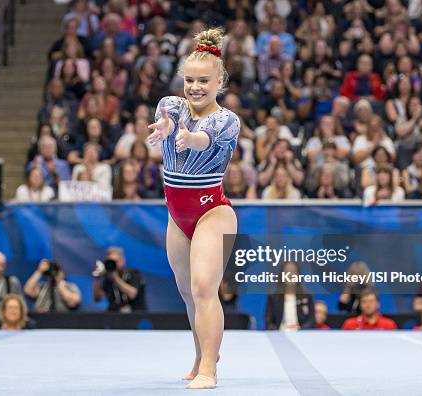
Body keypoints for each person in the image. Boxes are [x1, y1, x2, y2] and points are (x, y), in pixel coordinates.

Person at [145, 28, 240, 389]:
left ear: (220, 82)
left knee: (204, 288)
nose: (195, 87)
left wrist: (189, 138)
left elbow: (205, 138)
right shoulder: (169, 106)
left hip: (213, 211)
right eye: (189, 79)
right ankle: (201, 355)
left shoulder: (227, 120)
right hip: (177, 215)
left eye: (204, 80)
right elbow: (167, 120)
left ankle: (209, 372)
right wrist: (168, 128)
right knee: (187, 292)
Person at [92, 246, 147, 313]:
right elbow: (97, 298)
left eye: (115, 262)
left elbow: (132, 294)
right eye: (110, 262)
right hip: (114, 316)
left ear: (123, 260)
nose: (112, 264)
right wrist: (97, 279)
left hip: (135, 315)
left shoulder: (133, 274)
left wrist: (115, 278)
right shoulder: (108, 278)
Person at [264, 261, 316, 331]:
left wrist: (301, 331)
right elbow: (268, 321)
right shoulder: (273, 297)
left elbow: (311, 320)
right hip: (279, 335)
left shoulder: (307, 296)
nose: (290, 275)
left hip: (302, 335)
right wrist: (277, 332)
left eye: (294, 272)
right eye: (287, 272)